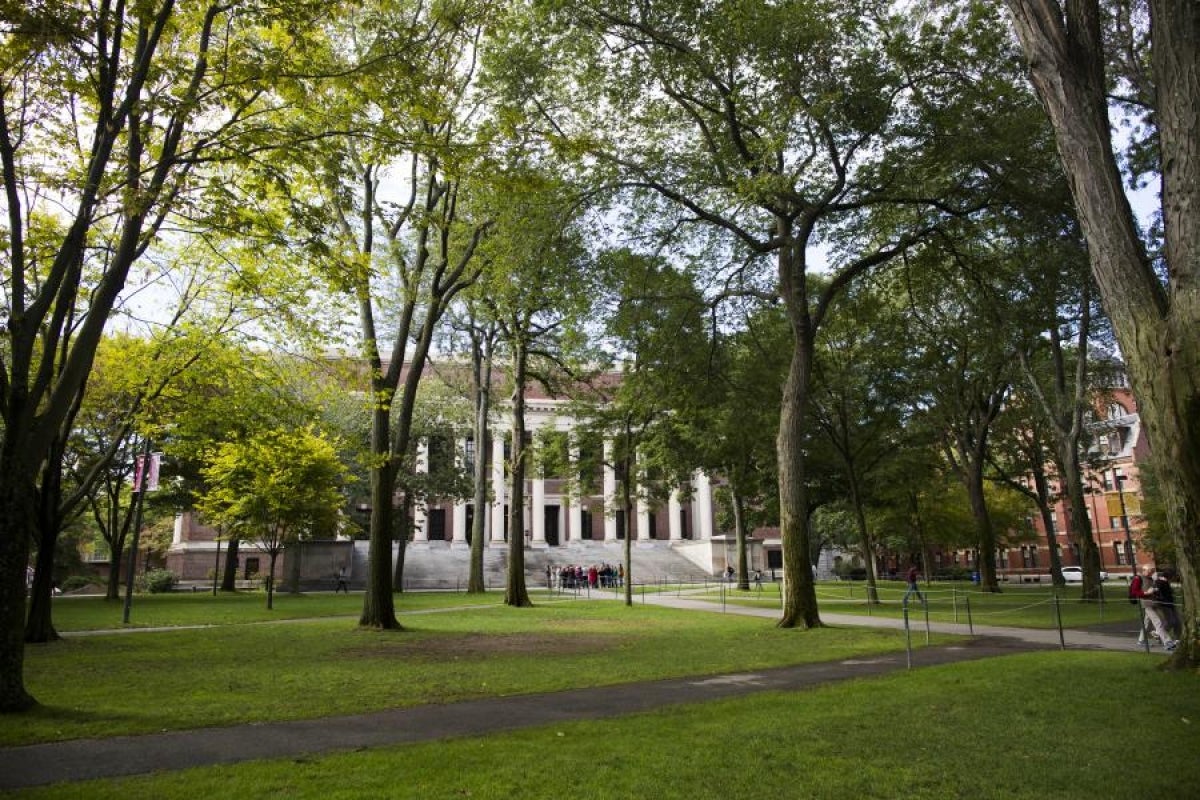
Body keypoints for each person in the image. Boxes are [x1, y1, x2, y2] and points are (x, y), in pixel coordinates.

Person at [1131, 565, 1176, 651]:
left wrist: (1155, 590)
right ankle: (1167, 642)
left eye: (1152, 571)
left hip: (1154, 602)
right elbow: (1134, 591)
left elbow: (1153, 588)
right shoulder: (1138, 578)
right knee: (1158, 622)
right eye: (1150, 571)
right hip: (1147, 604)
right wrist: (1145, 593)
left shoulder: (1151, 578)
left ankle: (1141, 640)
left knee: (1147, 623)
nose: (1151, 573)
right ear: (1144, 570)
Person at [1153, 569, 1181, 641]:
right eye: (1173, 576)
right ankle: (1159, 633)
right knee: (1171, 622)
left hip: (1170, 604)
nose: (1174, 578)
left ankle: (1177, 638)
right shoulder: (1160, 582)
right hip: (1165, 605)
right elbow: (1156, 592)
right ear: (1170, 576)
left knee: (1177, 622)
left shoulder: (1166, 582)